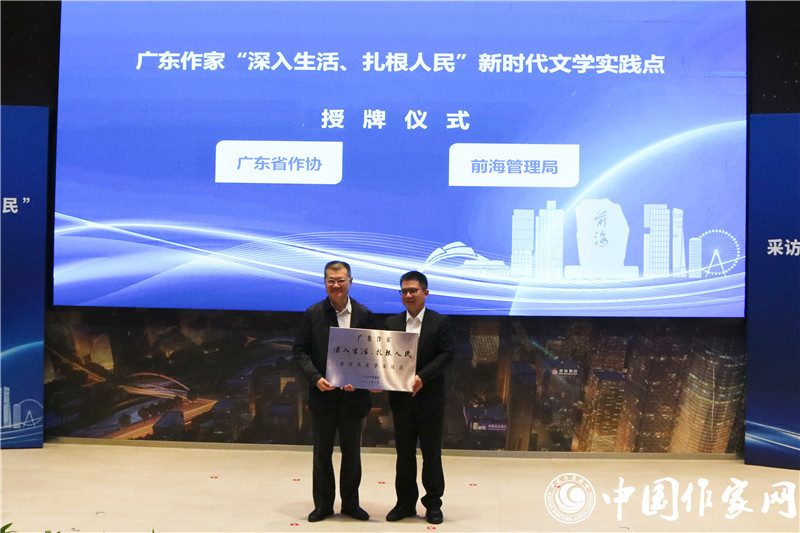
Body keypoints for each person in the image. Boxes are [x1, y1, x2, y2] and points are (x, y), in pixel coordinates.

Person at [292, 260, 374, 522]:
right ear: (324, 282)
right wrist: (316, 379)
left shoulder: (365, 314)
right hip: (323, 395)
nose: (336, 285)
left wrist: (359, 379)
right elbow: (300, 351)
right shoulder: (313, 314)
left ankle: (350, 504)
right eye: (331, 280)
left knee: (352, 454)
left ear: (350, 281)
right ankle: (323, 505)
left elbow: (373, 354)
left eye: (341, 280)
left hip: (353, 396)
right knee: (322, 453)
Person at [384, 271, 455, 525]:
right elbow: (383, 357)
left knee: (431, 454)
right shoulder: (392, 322)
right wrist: (377, 381)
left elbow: (447, 354)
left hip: (430, 400)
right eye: (404, 291)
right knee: (404, 454)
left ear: (425, 293)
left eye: (413, 290)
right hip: (401, 401)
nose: (408, 295)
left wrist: (422, 377)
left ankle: (433, 504)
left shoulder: (440, 322)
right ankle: (404, 503)